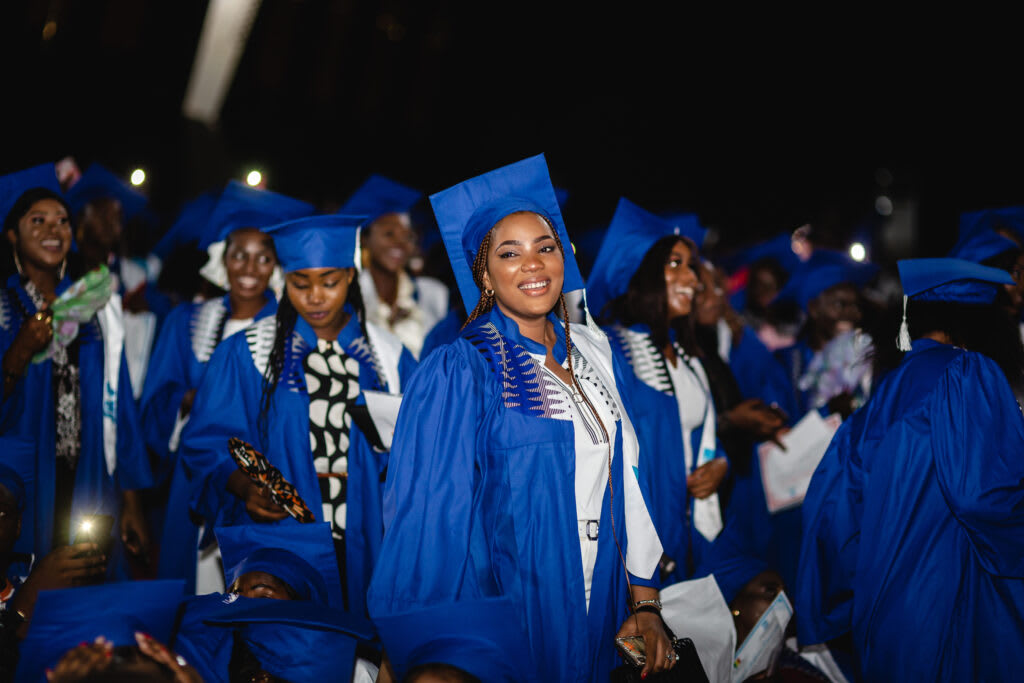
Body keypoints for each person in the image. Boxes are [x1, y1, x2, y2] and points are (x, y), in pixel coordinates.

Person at [369, 155, 673, 682]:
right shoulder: (461, 369)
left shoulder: (593, 349)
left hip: (599, 596)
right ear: (484, 274)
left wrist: (645, 604)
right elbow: (429, 519)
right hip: (512, 601)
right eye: (510, 253)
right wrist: (414, 645)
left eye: (546, 247)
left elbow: (627, 477)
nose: (533, 265)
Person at [796, 258, 1024, 681]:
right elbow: (984, 498)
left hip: (885, 612)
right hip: (954, 599)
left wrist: (844, 602)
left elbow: (833, 513)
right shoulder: (969, 372)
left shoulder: (886, 392)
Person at [179, 213, 416, 615]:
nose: (316, 297)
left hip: (368, 533)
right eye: (300, 283)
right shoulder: (248, 352)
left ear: (351, 275)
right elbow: (207, 442)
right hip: (281, 538)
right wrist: (242, 485)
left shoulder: (388, 355)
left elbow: (415, 448)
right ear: (283, 280)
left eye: (330, 282)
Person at [587, 197, 781, 585]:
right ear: (636, 272)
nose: (693, 280)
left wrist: (721, 464)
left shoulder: (689, 358)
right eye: (675, 265)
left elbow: (699, 433)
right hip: (644, 544)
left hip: (692, 533)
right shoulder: (612, 353)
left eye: (691, 267)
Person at [141, 181, 312, 593]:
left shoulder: (294, 331)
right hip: (197, 476)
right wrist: (192, 400)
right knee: (195, 597)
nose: (249, 268)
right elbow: (151, 405)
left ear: (276, 265)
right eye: (239, 255)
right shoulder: (186, 321)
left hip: (267, 483)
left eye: (262, 257)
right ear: (223, 259)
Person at [0, 164, 151, 578]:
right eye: (38, 220)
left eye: (62, 220)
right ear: (12, 234)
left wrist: (132, 502)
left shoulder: (94, 307)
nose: (54, 229)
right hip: (25, 480)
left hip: (89, 477)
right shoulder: (4, 312)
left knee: (86, 594)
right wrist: (19, 352)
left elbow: (119, 406)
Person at [342, 175, 449, 358]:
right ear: (364, 239)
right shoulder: (348, 296)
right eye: (389, 234)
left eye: (407, 236)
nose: (400, 243)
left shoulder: (433, 294)